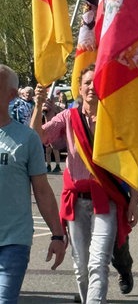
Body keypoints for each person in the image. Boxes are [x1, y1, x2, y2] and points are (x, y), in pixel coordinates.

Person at [30, 65, 138, 303]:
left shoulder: (114, 119)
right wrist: (38, 106)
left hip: (106, 200)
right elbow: (37, 137)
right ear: (79, 88)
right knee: (81, 268)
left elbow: (132, 161)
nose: (92, 87)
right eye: (87, 83)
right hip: (76, 202)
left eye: (96, 82)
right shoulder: (68, 118)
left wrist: (133, 201)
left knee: (98, 262)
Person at [0, 64, 66, 303]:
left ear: (11, 94)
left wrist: (57, 236)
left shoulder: (27, 139)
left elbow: (42, 191)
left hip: (13, 242)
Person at [41, 98, 63, 173]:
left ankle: (57, 165)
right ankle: (48, 165)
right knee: (48, 151)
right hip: (47, 131)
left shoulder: (55, 108)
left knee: (55, 150)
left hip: (54, 131)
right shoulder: (44, 109)